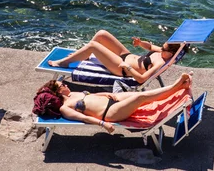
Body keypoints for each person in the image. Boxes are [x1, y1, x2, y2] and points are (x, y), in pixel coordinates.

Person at [33, 72, 193, 134]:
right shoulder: (65, 108)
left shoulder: (73, 94)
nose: (66, 85)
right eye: (63, 86)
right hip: (110, 114)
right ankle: (176, 86)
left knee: (142, 94)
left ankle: (179, 86)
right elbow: (85, 119)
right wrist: (103, 124)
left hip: (111, 101)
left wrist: (108, 94)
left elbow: (91, 96)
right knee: (140, 99)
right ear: (58, 92)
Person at [47, 30, 185, 84]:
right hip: (127, 55)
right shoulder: (163, 51)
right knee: (102, 34)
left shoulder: (160, 63)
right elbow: (150, 47)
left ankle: (63, 63)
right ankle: (85, 56)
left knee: (93, 46)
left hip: (121, 68)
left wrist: (128, 67)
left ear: (171, 54)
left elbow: (142, 79)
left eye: (165, 47)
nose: (162, 47)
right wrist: (140, 43)